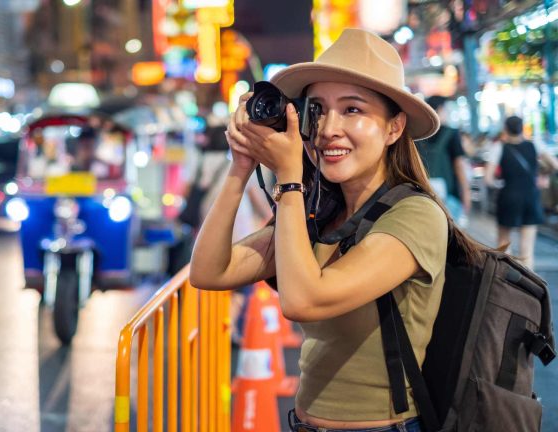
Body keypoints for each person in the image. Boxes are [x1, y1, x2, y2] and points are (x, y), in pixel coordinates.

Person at [189, 28, 484, 431]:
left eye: (352, 110)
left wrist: (290, 180)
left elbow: (304, 301)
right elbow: (209, 271)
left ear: (394, 128)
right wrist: (240, 167)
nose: (328, 129)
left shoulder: (415, 215)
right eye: (318, 110)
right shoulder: (319, 214)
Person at [485, 115, 558, 269]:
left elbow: (488, 179)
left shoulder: (499, 147)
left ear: (505, 129)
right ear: (522, 128)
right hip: (531, 196)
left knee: (504, 244)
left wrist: (500, 184)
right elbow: (554, 165)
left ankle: (507, 283)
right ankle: (529, 287)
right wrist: (542, 174)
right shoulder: (534, 145)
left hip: (509, 196)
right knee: (527, 250)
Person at [416, 95, 472, 225]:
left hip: (422, 193)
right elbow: (459, 164)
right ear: (440, 109)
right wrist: (466, 192)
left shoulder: (417, 134)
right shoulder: (451, 133)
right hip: (450, 193)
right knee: (452, 234)